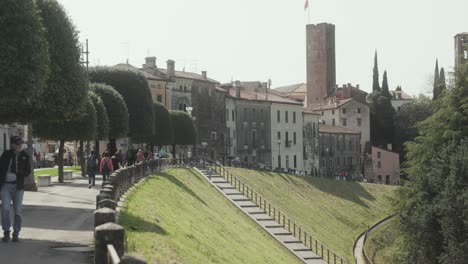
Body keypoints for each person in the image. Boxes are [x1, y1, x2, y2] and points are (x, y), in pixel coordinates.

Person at [0, 136, 31, 242]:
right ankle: (6, 232)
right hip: (6, 186)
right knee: (5, 209)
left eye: (21, 144)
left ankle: (16, 232)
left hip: (18, 187)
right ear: (13, 144)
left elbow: (28, 171)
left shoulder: (25, 156)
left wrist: (21, 172)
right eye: (18, 144)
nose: (19, 146)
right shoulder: (6, 154)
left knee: (18, 210)